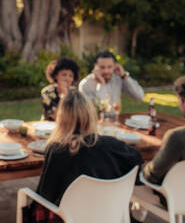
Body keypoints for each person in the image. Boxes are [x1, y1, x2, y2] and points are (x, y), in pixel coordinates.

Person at [28, 89, 142, 222]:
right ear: (91, 115)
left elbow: (45, 195)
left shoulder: (57, 150)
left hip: (71, 218)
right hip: (110, 216)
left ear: (61, 118)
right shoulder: (113, 145)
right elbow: (137, 159)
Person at [79, 50, 144, 107]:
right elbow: (99, 108)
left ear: (115, 66)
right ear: (95, 66)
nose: (106, 71)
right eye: (102, 67)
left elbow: (139, 96)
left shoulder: (118, 79)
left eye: (109, 67)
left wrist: (124, 76)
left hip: (116, 119)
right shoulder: (85, 84)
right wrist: (102, 84)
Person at [41, 57, 80, 121]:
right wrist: (64, 95)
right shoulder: (47, 92)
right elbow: (54, 116)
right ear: (56, 76)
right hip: (49, 125)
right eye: (64, 75)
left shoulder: (75, 92)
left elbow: (77, 115)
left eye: (70, 76)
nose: (67, 79)